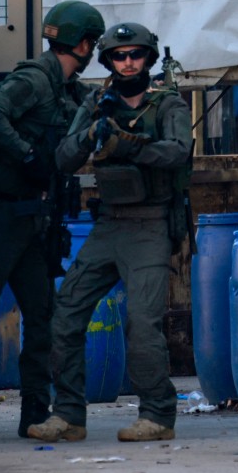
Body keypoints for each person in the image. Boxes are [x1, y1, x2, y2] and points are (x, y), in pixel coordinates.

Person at [0, 0, 106, 438]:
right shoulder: (35, 79)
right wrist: (27, 155)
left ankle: (34, 411)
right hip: (4, 215)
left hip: (34, 219)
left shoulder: (68, 90)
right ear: (83, 43)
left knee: (42, 314)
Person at [28, 22, 193, 443]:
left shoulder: (167, 103)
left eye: (135, 54)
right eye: (119, 56)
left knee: (142, 323)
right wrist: (90, 135)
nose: (127, 62)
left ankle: (156, 414)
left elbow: (178, 153)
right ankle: (68, 415)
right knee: (65, 313)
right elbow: (64, 158)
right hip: (109, 224)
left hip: (151, 224)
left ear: (148, 59)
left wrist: (128, 145)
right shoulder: (97, 103)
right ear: (107, 61)